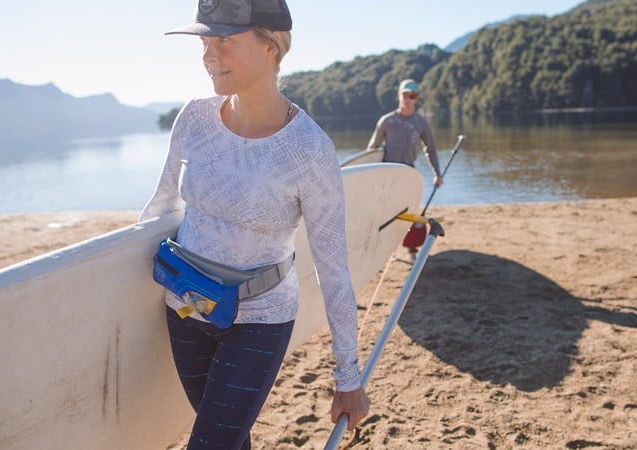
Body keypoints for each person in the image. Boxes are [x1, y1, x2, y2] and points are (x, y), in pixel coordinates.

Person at [139, 1, 370, 448]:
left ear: (271, 46)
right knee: (229, 441)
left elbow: (333, 269)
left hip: (259, 321)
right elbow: (160, 208)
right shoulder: (193, 118)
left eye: (223, 40)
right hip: (183, 308)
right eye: (205, 42)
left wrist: (348, 376)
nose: (208, 55)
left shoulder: (309, 149)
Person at [367, 79, 443, 188]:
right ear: (399, 96)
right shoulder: (387, 121)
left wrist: (437, 174)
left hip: (409, 171)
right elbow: (372, 148)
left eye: (412, 96)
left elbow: (430, 149)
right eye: (405, 95)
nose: (408, 99)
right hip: (387, 172)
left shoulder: (421, 123)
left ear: (416, 98)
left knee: (407, 204)